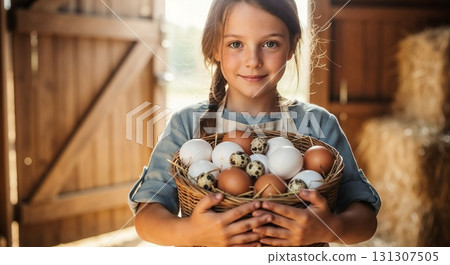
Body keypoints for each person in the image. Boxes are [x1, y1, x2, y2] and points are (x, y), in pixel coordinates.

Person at [128, 0, 381, 247]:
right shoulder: (187, 125)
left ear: (292, 45)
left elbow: (365, 219)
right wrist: (192, 232)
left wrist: (330, 228)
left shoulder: (317, 123)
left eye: (270, 43)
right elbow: (147, 217)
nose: (253, 60)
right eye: (235, 44)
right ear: (215, 48)